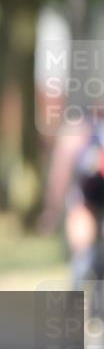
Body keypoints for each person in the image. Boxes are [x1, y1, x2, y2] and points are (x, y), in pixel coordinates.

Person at [41, 115, 104, 287]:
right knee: (83, 258)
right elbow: (60, 174)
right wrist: (52, 211)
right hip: (84, 202)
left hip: (87, 201)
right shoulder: (79, 131)